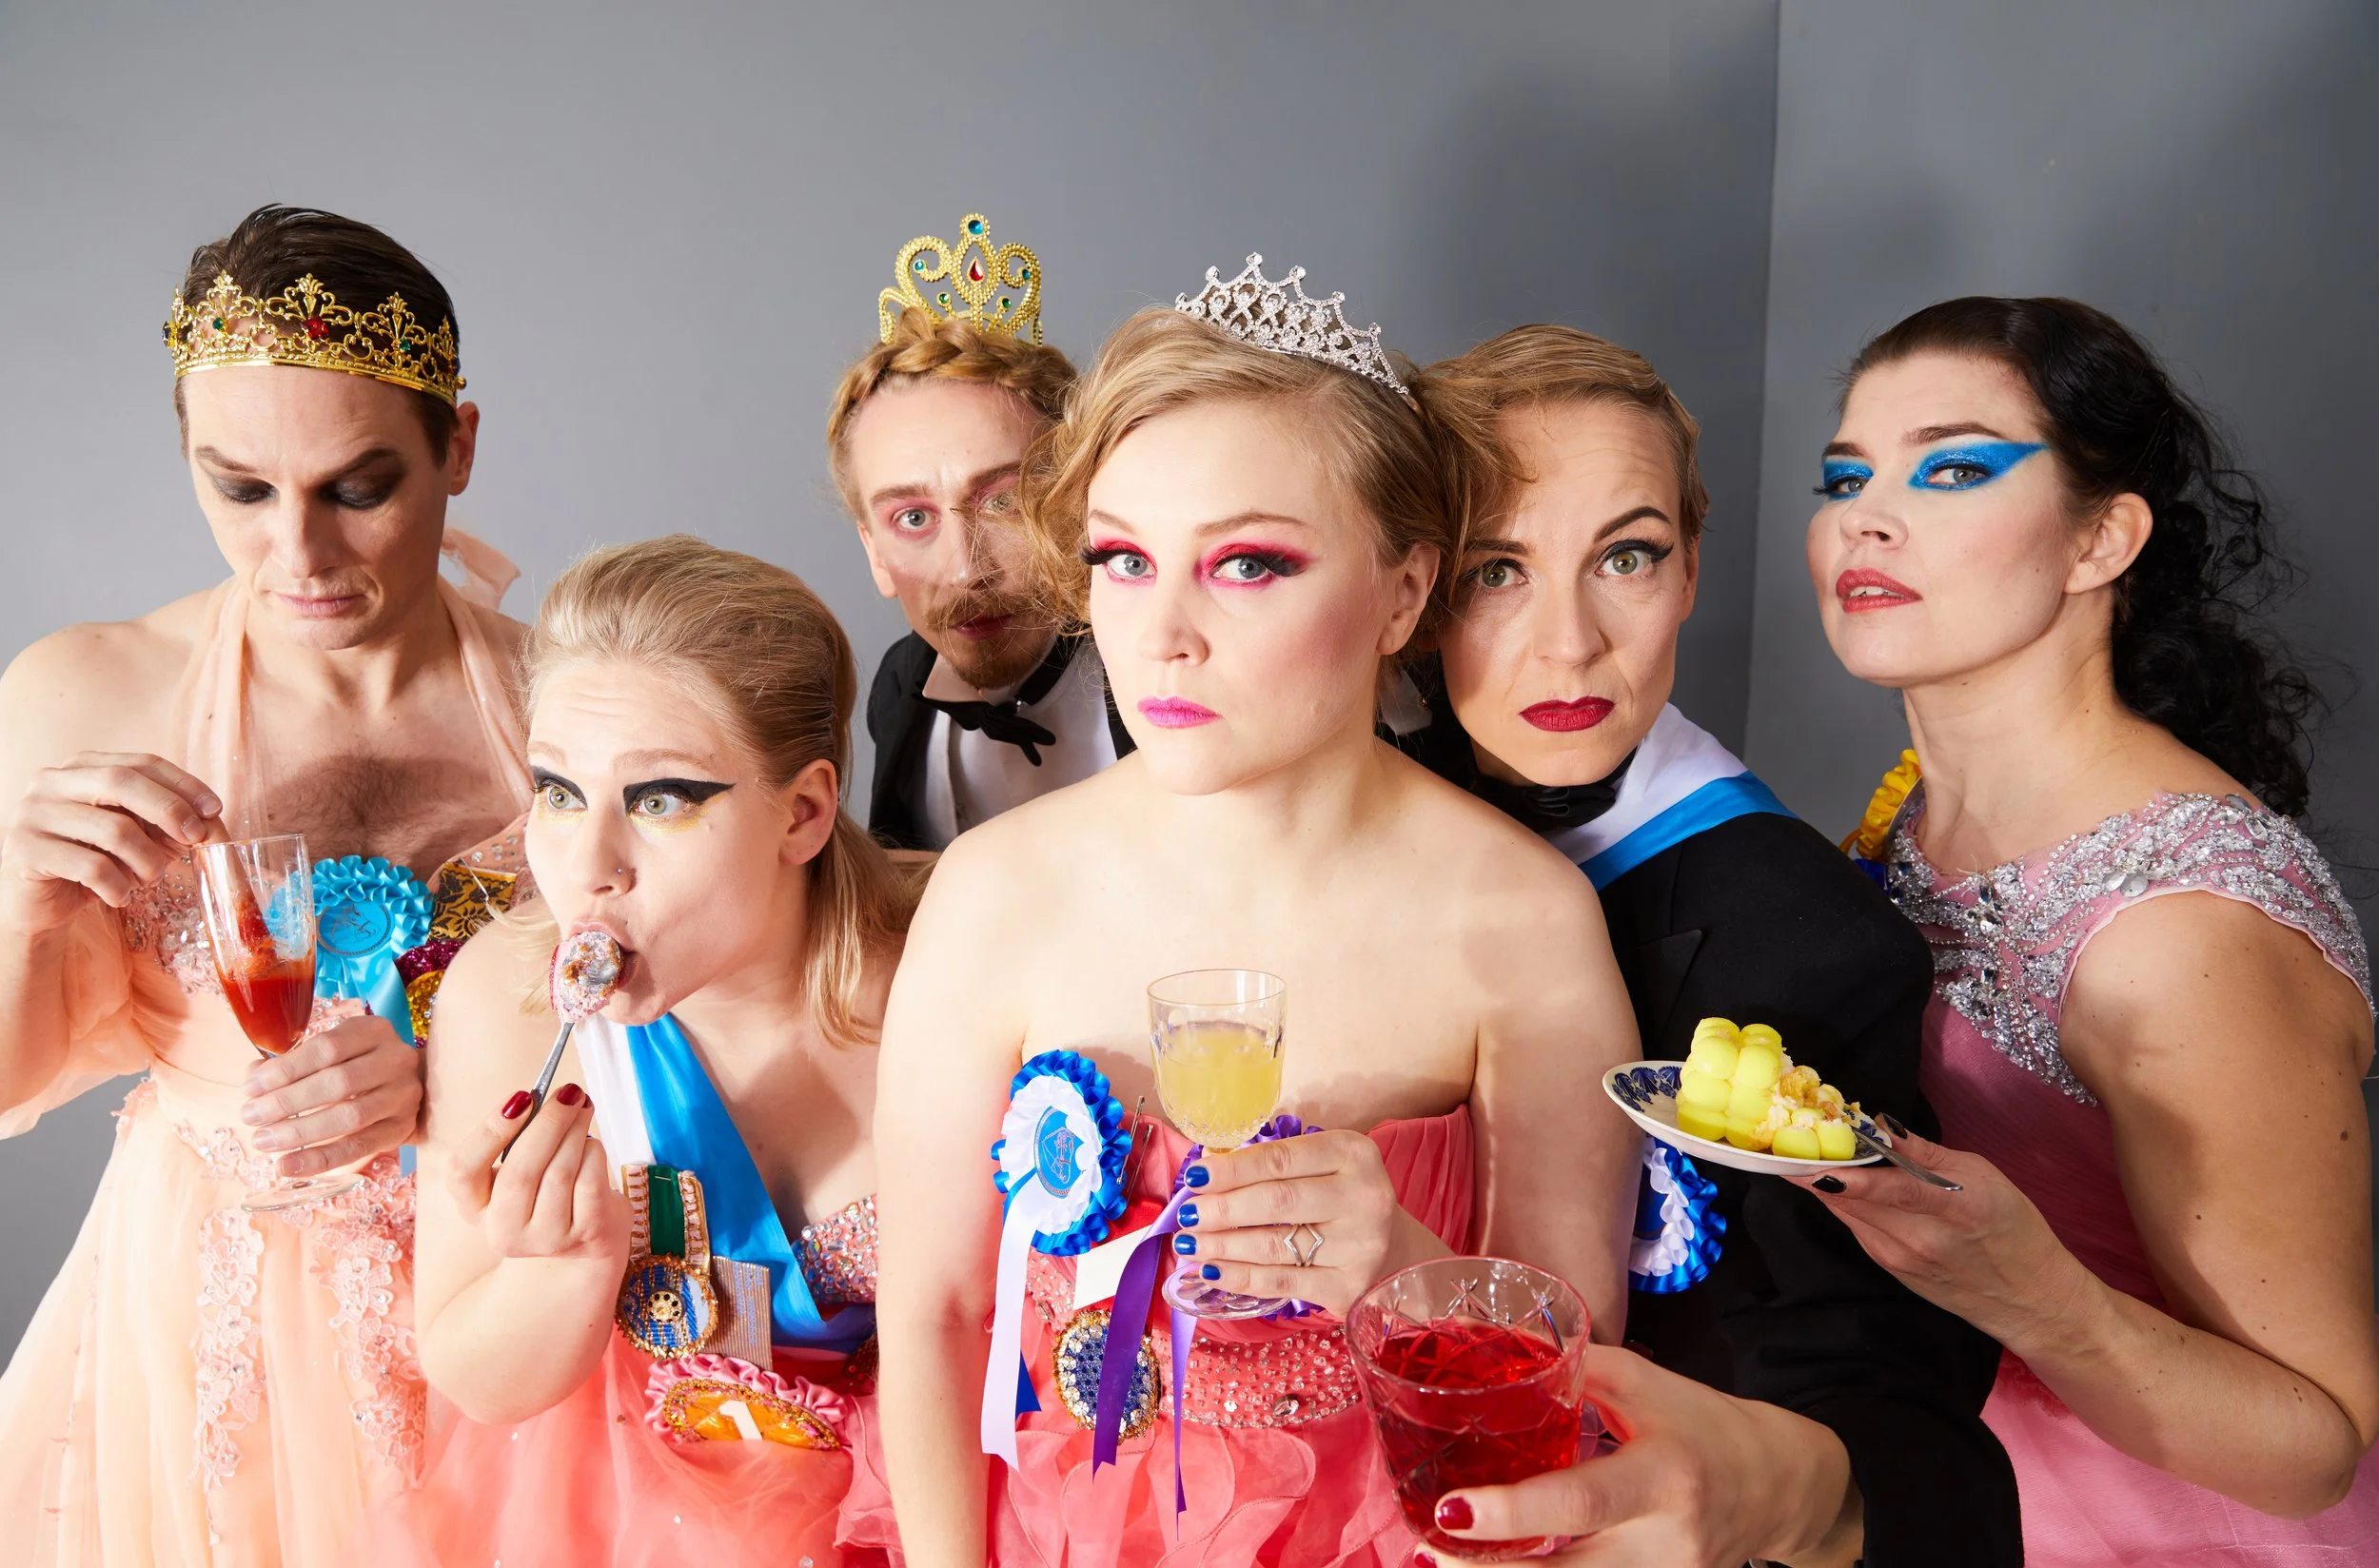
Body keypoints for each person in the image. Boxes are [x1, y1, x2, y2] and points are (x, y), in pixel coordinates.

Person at [868, 255, 1643, 1566]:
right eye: (1123, 559)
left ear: (1403, 592)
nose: (1160, 633)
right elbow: (933, 1317)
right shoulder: (994, 892)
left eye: (1246, 564)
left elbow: (1584, 1374)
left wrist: (1398, 1260)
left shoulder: (1523, 919)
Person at [1396, 325, 2016, 1565]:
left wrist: (1786, 1491)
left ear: (1689, 570)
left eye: (1625, 556)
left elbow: (1905, 1436)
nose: (1570, 643)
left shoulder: (1807, 952)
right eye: (1496, 570)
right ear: (1407, 590)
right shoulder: (1331, 823)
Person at [1800, 296, 2379, 1563]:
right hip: (1937, 1504)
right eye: (1844, 478)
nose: (1865, 517)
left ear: (2101, 538)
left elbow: (2316, 1445)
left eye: (1952, 470)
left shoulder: (2184, 932)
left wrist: (2047, 1302)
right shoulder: (1908, 818)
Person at [0, 205, 531, 1566]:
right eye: (241, 490)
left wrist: (461, 1081)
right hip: (206, 1347)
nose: (300, 554)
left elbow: (715, 1029)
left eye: (358, 488)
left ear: (459, 448)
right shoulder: (84, 694)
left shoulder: (577, 704)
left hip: (511, 1315)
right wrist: (21, 909)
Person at [402, 536, 915, 1567]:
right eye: (558, 792)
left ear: (803, 813)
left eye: (659, 799)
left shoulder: (953, 964)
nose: (587, 867)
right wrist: (566, 1269)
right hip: (634, 1512)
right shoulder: (511, 993)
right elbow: (474, 1378)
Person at [826, 211, 1130, 851]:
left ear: (1075, 501)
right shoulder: (899, 688)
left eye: (1003, 502)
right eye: (913, 518)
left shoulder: (1158, 666)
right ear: (874, 553)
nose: (967, 570)